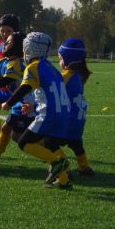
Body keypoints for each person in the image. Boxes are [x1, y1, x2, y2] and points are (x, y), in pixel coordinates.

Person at [2, 32, 72, 189]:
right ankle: (64, 180)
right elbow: (52, 93)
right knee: (49, 143)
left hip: (49, 115)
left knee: (24, 142)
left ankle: (57, 162)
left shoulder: (33, 67)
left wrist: (9, 102)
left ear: (29, 49)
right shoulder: (52, 68)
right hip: (64, 114)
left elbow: (25, 87)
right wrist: (34, 106)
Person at [45, 38, 94, 179]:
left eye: (60, 58)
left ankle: (63, 167)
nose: (59, 62)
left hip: (68, 118)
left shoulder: (65, 76)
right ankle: (84, 168)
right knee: (76, 144)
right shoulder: (79, 75)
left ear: (67, 59)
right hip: (79, 117)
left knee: (49, 142)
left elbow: (52, 90)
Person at [0, 32, 34, 171]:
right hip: (19, 103)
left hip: (26, 104)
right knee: (8, 130)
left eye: (9, 42)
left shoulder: (16, 64)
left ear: (18, 47)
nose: (5, 44)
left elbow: (7, 80)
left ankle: (54, 157)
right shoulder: (5, 61)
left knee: (20, 138)